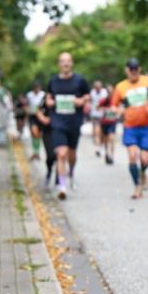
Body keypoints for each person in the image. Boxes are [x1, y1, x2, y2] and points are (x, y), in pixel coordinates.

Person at [111, 58, 148, 199]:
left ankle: (143, 173)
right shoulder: (120, 87)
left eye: (136, 69)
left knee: (145, 159)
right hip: (130, 126)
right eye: (131, 70)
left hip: (147, 126)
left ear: (140, 69)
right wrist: (118, 110)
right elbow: (114, 105)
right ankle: (137, 187)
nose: (134, 73)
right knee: (132, 156)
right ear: (126, 70)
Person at [45, 52, 89, 200]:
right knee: (61, 154)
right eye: (63, 61)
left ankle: (71, 172)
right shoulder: (53, 81)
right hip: (58, 121)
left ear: (72, 63)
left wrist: (81, 100)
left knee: (71, 154)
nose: (65, 64)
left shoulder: (79, 80)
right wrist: (49, 102)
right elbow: (48, 97)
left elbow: (87, 96)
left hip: (74, 122)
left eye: (68, 61)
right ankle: (62, 186)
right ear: (59, 64)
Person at [97, 84, 118, 165]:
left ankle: (111, 155)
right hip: (104, 122)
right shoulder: (103, 100)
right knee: (105, 140)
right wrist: (105, 109)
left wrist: (115, 110)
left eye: (111, 91)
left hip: (113, 122)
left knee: (111, 138)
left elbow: (120, 108)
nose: (110, 93)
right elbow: (97, 108)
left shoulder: (116, 100)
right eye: (108, 91)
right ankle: (107, 153)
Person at [26, 82, 46, 160]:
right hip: (32, 116)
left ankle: (36, 152)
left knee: (39, 135)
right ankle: (35, 151)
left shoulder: (43, 95)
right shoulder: (29, 95)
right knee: (34, 133)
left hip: (41, 116)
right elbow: (27, 105)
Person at [89, 80, 108, 157]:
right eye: (96, 86)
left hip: (103, 115)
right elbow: (90, 101)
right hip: (95, 115)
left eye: (98, 86)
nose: (97, 88)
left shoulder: (104, 92)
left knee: (102, 134)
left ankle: (101, 146)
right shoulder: (92, 92)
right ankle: (98, 148)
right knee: (97, 132)